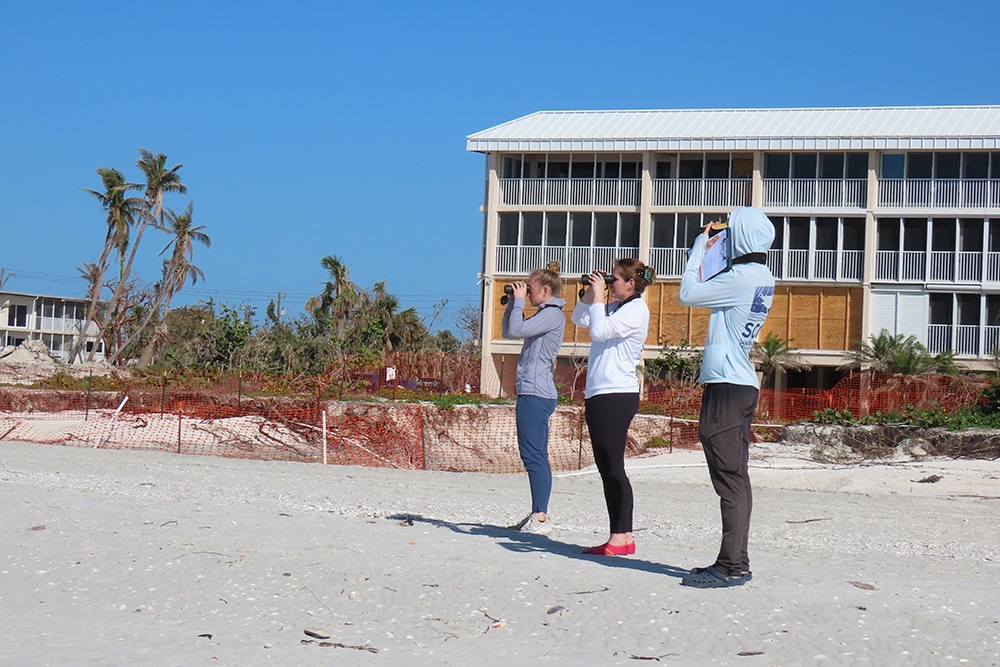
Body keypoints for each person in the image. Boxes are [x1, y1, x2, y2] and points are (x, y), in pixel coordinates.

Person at [677, 206, 776, 588]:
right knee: (737, 478)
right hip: (739, 383)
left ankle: (729, 566)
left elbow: (688, 293)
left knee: (730, 479)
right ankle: (737, 561)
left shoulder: (741, 278)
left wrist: (702, 244)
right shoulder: (760, 275)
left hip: (728, 386)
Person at [571, 258, 654, 555]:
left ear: (631, 283)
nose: (610, 282)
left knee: (614, 465)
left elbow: (600, 332)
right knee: (606, 466)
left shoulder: (636, 310)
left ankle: (623, 536)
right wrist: (589, 295)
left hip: (616, 393)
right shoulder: (615, 308)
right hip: (599, 391)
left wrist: (596, 297)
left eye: (614, 278)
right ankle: (619, 536)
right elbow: (580, 320)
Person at [502, 262, 567, 535]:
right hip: (532, 391)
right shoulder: (543, 314)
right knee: (533, 455)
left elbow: (517, 331)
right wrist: (511, 305)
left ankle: (540, 516)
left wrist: (518, 303)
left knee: (534, 456)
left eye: (529, 289)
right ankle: (537, 513)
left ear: (545, 289)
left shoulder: (552, 314)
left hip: (537, 393)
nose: (526, 293)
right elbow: (509, 331)